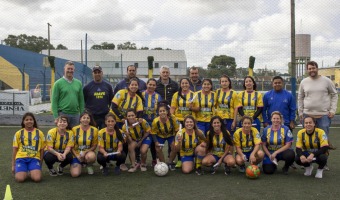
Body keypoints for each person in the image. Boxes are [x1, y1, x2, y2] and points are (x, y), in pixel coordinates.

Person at [298, 61, 338, 149]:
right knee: (307, 139)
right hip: (307, 115)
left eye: (313, 68)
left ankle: (323, 161)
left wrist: (332, 110)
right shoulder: (304, 82)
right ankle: (308, 160)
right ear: (307, 70)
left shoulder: (327, 81)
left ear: (317, 69)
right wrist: (300, 112)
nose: (311, 70)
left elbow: (334, 94)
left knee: (323, 139)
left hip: (323, 115)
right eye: (309, 69)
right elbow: (300, 97)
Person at [170, 78, 199, 168]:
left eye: (186, 83)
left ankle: (195, 159)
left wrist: (191, 108)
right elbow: (173, 107)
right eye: (183, 83)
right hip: (178, 121)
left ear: (189, 84)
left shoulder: (194, 95)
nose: (184, 85)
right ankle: (179, 159)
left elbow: (197, 109)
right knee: (179, 140)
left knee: (192, 139)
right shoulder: (176, 95)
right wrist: (172, 117)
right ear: (180, 84)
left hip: (190, 121)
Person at [12, 112, 45, 182]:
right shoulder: (18, 133)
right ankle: (24, 171)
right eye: (26, 120)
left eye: (31, 119)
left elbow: (42, 150)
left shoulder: (40, 133)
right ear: (23, 122)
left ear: (34, 121)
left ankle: (31, 170)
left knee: (37, 179)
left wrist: (40, 163)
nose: (29, 121)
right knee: (19, 179)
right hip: (21, 159)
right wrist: (13, 165)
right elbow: (15, 150)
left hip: (34, 159)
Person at [51, 61, 85, 127]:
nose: (70, 70)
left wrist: (82, 115)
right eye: (68, 69)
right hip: (63, 114)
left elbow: (81, 101)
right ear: (64, 69)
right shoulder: (57, 84)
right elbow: (54, 102)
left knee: (75, 135)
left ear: (74, 70)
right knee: (63, 135)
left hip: (76, 115)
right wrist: (56, 117)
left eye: (71, 69)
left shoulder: (78, 83)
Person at [151, 102, 179, 170]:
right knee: (158, 148)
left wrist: (175, 140)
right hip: (160, 136)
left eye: (164, 111)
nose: (162, 112)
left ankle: (170, 163)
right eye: (160, 111)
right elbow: (153, 132)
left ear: (167, 112)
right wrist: (156, 142)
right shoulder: (155, 121)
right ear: (158, 112)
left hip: (171, 135)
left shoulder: (173, 118)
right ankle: (163, 164)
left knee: (174, 147)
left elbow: (177, 130)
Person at [70, 111, 98, 177]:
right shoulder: (74, 129)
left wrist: (85, 152)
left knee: (91, 157)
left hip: (87, 153)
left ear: (90, 120)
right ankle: (79, 164)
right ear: (80, 119)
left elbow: (94, 146)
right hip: (76, 154)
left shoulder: (94, 130)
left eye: (88, 118)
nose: (85, 119)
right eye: (84, 118)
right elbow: (71, 146)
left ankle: (89, 165)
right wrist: (77, 155)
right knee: (75, 174)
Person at [142, 78, 162, 166]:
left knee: (155, 143)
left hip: (154, 124)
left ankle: (154, 160)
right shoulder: (141, 94)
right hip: (142, 124)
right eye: (150, 84)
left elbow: (160, 110)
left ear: (156, 86)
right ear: (147, 84)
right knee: (142, 142)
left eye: (154, 85)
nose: (151, 86)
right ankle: (140, 161)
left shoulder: (158, 96)